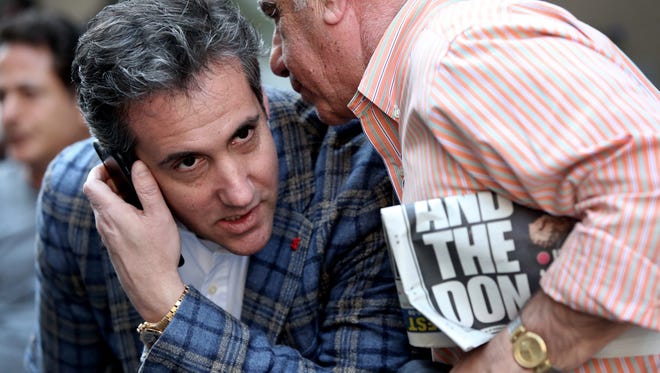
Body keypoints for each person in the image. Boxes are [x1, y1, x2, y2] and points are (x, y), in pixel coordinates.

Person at [259, 0, 660, 371]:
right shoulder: (433, 69)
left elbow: (649, 192)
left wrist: (516, 356)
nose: (276, 59)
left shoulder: (456, 54)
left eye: (277, 14)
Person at [26, 0, 411, 371]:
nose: (239, 193)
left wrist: (167, 306)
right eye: (189, 162)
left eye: (244, 135)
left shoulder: (354, 173)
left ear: (262, 102)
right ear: (123, 170)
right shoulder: (76, 200)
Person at [0, 9, 88, 372]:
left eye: (29, 93)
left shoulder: (126, 198)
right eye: (2, 96)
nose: (9, 114)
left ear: (81, 100)